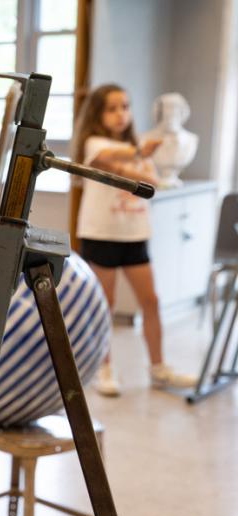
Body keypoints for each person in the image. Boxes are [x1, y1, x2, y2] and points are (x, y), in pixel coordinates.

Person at [73, 83, 197, 396]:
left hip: (134, 234)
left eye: (125, 107)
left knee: (151, 301)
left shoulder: (136, 147)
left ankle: (158, 368)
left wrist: (137, 157)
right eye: (112, 108)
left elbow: (152, 181)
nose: (120, 114)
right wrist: (137, 155)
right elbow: (104, 159)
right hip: (102, 233)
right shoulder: (94, 143)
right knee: (106, 304)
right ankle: (103, 368)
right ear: (98, 114)